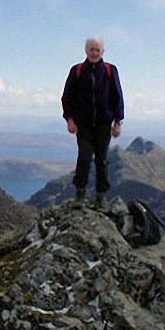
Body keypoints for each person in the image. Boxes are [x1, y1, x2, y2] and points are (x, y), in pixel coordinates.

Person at [61, 37, 124, 210]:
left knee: (102, 160)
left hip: (104, 124)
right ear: (86, 50)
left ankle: (101, 197)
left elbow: (117, 96)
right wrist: (69, 119)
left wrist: (118, 122)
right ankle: (80, 195)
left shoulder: (110, 71)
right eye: (91, 49)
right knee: (84, 157)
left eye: (97, 49)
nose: (94, 52)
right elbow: (67, 97)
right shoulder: (77, 71)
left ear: (103, 51)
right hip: (84, 125)